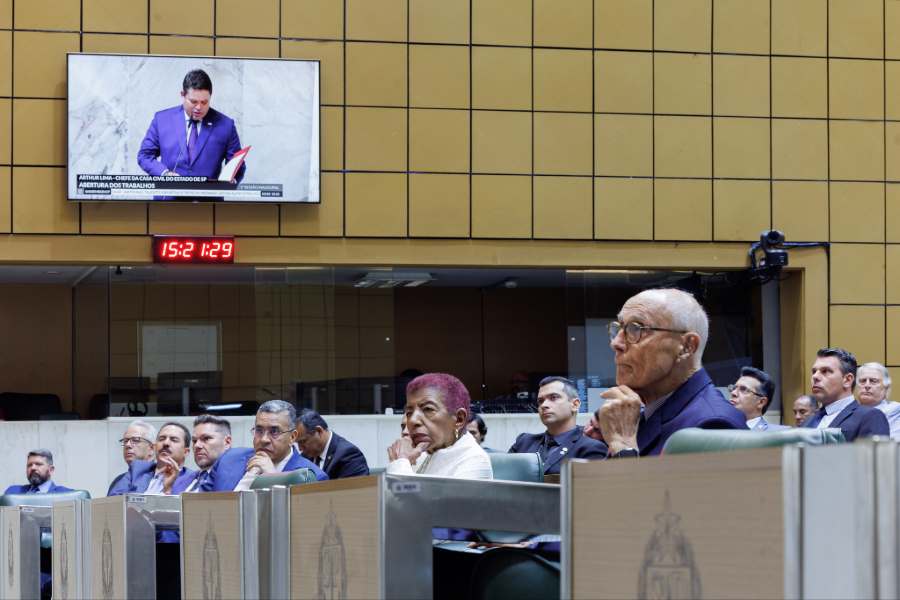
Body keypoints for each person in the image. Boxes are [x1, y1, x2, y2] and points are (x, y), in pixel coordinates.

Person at [596, 288, 748, 457]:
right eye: (619, 328)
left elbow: (638, 485)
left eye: (636, 329)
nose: (616, 343)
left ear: (686, 347)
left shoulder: (714, 426)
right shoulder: (642, 413)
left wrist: (624, 448)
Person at [137, 69, 246, 183]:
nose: (199, 107)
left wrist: (232, 178)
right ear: (183, 95)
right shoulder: (161, 120)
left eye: (204, 102)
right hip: (168, 198)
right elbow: (144, 156)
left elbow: (237, 165)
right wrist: (164, 174)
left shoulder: (226, 125)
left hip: (208, 199)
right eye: (193, 101)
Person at [201, 400, 327, 492]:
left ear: (292, 437)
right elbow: (200, 504)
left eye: (274, 431)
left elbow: (303, 522)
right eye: (259, 430)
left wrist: (273, 478)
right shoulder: (229, 459)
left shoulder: (312, 478)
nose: (264, 439)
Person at [386, 373, 492, 479]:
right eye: (409, 413)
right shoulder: (423, 452)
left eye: (428, 409)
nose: (413, 420)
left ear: (459, 419)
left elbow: (406, 494)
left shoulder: (475, 461)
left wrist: (401, 460)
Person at [508, 377, 607, 473]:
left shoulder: (591, 447)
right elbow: (502, 476)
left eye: (553, 397)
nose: (544, 405)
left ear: (575, 405)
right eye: (540, 401)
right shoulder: (524, 442)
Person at [802, 348, 889, 441]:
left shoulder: (870, 417)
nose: (815, 376)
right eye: (814, 371)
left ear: (847, 380)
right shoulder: (809, 420)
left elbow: (873, 455)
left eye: (825, 371)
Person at [109, 422, 197, 495]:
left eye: (173, 440)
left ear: (186, 452)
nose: (166, 443)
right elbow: (114, 501)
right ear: (154, 447)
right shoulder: (138, 472)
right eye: (162, 439)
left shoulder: (193, 480)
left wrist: (167, 491)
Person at [296, 410, 369, 479]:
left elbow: (354, 490)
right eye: (297, 443)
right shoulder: (305, 456)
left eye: (303, 441)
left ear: (319, 431)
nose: (300, 448)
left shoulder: (349, 455)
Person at [729, 366, 789, 431]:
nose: (733, 393)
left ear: (761, 402)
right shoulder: (720, 430)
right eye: (734, 388)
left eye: (743, 389)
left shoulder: (780, 434)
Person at [184, 414, 232, 492]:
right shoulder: (189, 479)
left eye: (206, 438)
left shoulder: (235, 479)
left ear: (227, 442)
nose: (197, 445)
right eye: (194, 441)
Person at [107, 420, 156, 495]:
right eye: (125, 441)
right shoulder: (118, 480)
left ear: (152, 448)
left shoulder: (158, 479)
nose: (128, 445)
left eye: (135, 440)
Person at [856, 362, 900, 439]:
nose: (867, 385)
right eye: (863, 381)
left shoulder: (895, 410)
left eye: (873, 381)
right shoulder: (848, 411)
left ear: (886, 387)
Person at [4, 450, 73, 494]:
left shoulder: (66, 495)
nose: (33, 468)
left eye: (38, 464)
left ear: (51, 470)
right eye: (29, 465)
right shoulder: (12, 492)